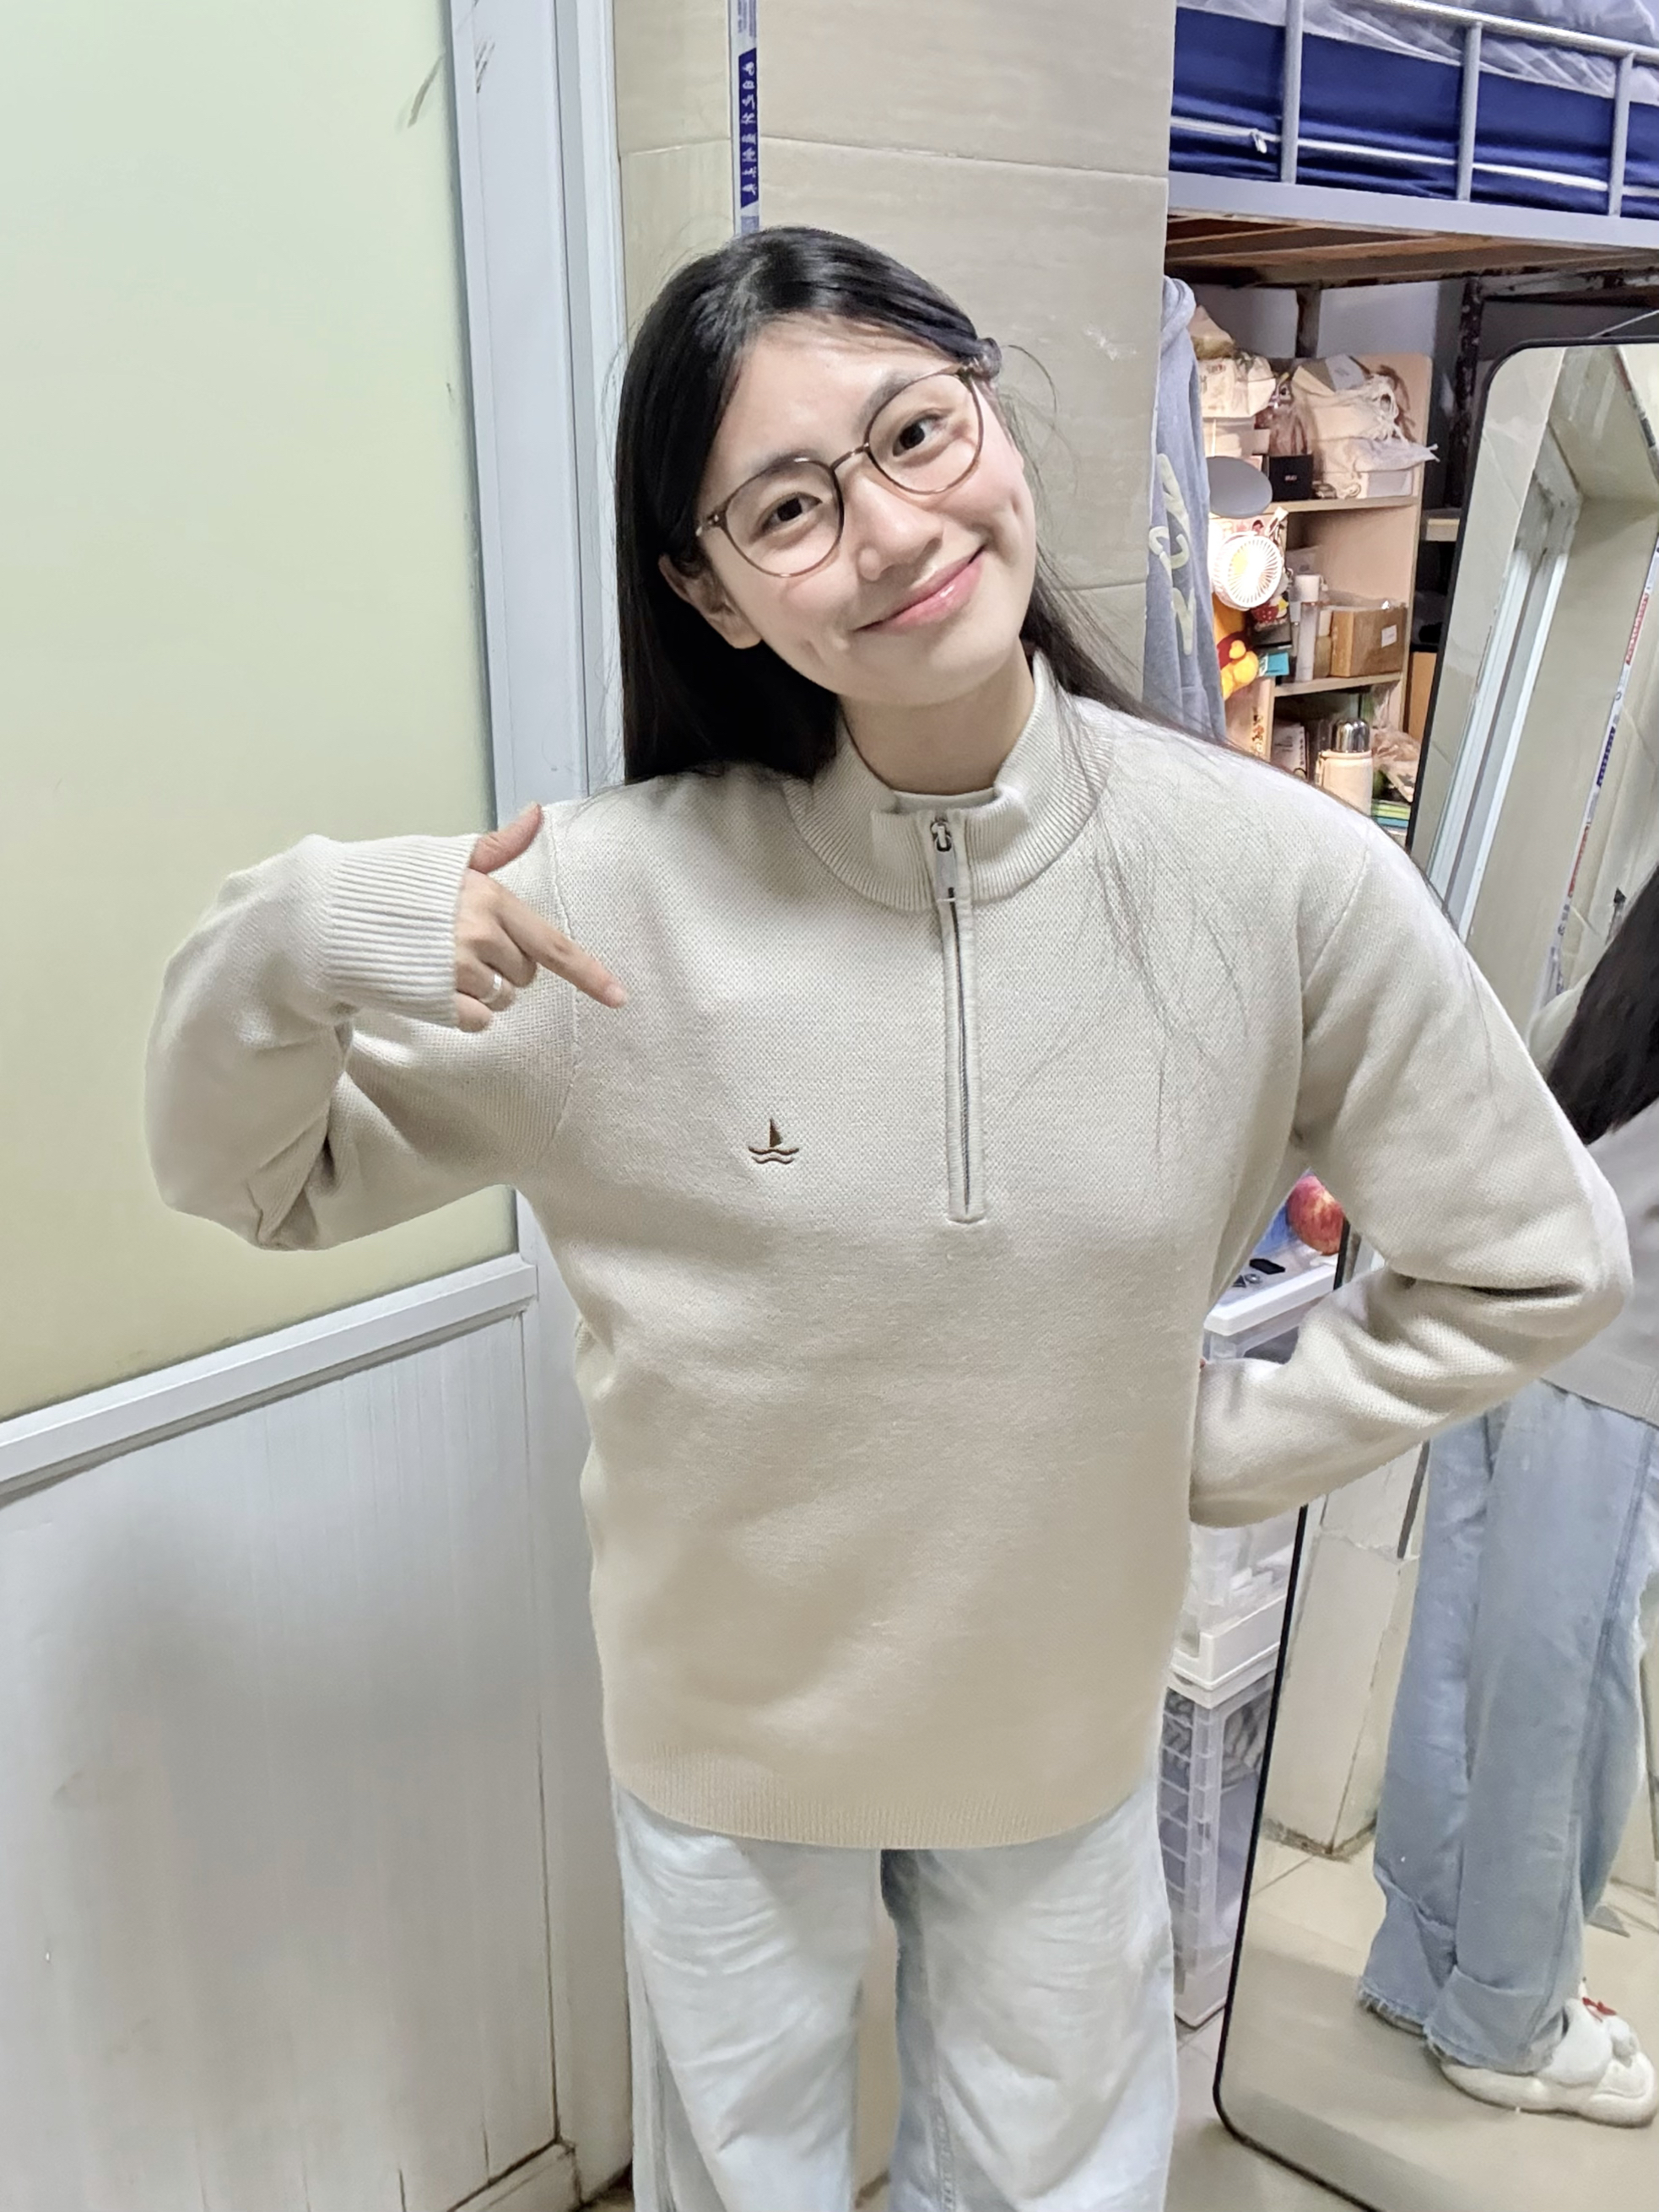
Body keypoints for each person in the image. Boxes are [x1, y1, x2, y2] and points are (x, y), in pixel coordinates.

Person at [146, 227, 1629, 2212]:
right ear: (708, 590)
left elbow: (1533, 1256)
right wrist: (305, 928)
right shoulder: (600, 908)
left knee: (1049, 2184)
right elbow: (243, 1176)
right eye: (787, 506)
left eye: (913, 432)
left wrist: (1206, 1446)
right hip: (727, 1741)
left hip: (1053, 1725)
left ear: (986, 413)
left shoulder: (1269, 877)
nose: (890, 530)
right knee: (740, 2180)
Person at [1362, 866, 1659, 2130]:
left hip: (1514, 1326)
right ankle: (1509, 2014)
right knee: (1564, 1689)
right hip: (1620, 1361)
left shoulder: (1622, 963)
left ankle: (1426, 1963)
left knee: (1462, 1651)